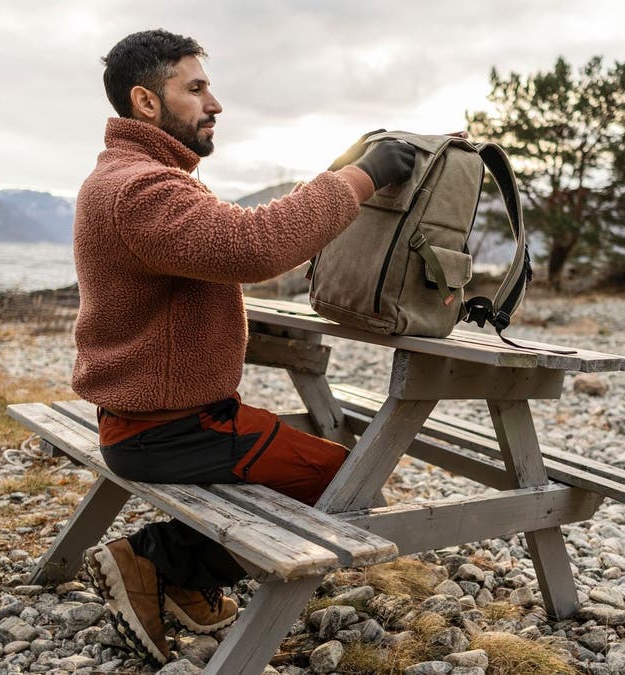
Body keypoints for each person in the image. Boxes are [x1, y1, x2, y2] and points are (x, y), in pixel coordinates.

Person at [72, 29, 417, 665]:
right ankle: (151, 561)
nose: (215, 103)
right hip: (168, 431)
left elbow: (228, 245)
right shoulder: (143, 190)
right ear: (147, 103)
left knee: (329, 458)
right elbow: (250, 246)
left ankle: (182, 578)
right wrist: (361, 178)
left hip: (154, 421)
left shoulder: (133, 177)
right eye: (196, 88)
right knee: (349, 484)